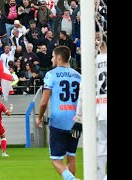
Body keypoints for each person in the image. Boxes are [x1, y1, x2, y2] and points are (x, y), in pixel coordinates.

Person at [36, 45, 81, 180]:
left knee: (56, 159)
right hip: (76, 120)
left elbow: (43, 102)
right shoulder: (78, 76)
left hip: (58, 120)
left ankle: (72, 179)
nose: (51, 59)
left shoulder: (51, 74)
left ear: (59, 57)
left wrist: (39, 117)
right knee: (71, 155)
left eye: (53, 57)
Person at [71, 41, 107, 180]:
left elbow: (83, 92)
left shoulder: (92, 64)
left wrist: (79, 117)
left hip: (97, 113)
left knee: (99, 155)